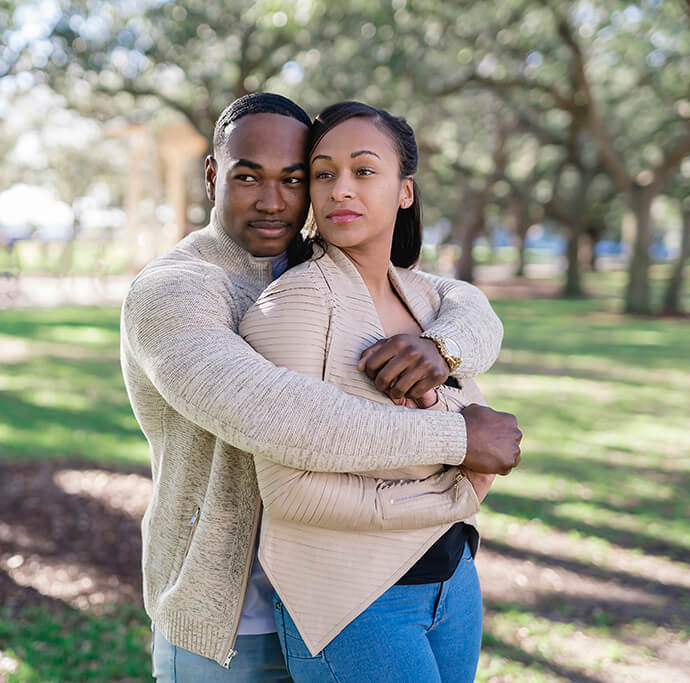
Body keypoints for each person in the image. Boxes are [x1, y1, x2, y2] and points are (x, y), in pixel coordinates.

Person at [119, 93, 522, 681]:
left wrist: (442, 347)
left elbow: (461, 301)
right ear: (212, 176)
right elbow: (284, 418)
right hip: (229, 628)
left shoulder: (318, 263)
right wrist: (457, 438)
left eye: (294, 178)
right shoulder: (175, 291)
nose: (273, 201)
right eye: (248, 176)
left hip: (343, 591)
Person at [239, 101, 513, 682]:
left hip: (452, 581)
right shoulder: (296, 303)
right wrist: (453, 493)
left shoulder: (427, 298)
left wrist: (446, 360)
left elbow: (475, 324)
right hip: (355, 602)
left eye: (364, 171)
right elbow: (290, 493)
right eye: (323, 173)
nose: (341, 189)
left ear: (404, 191)